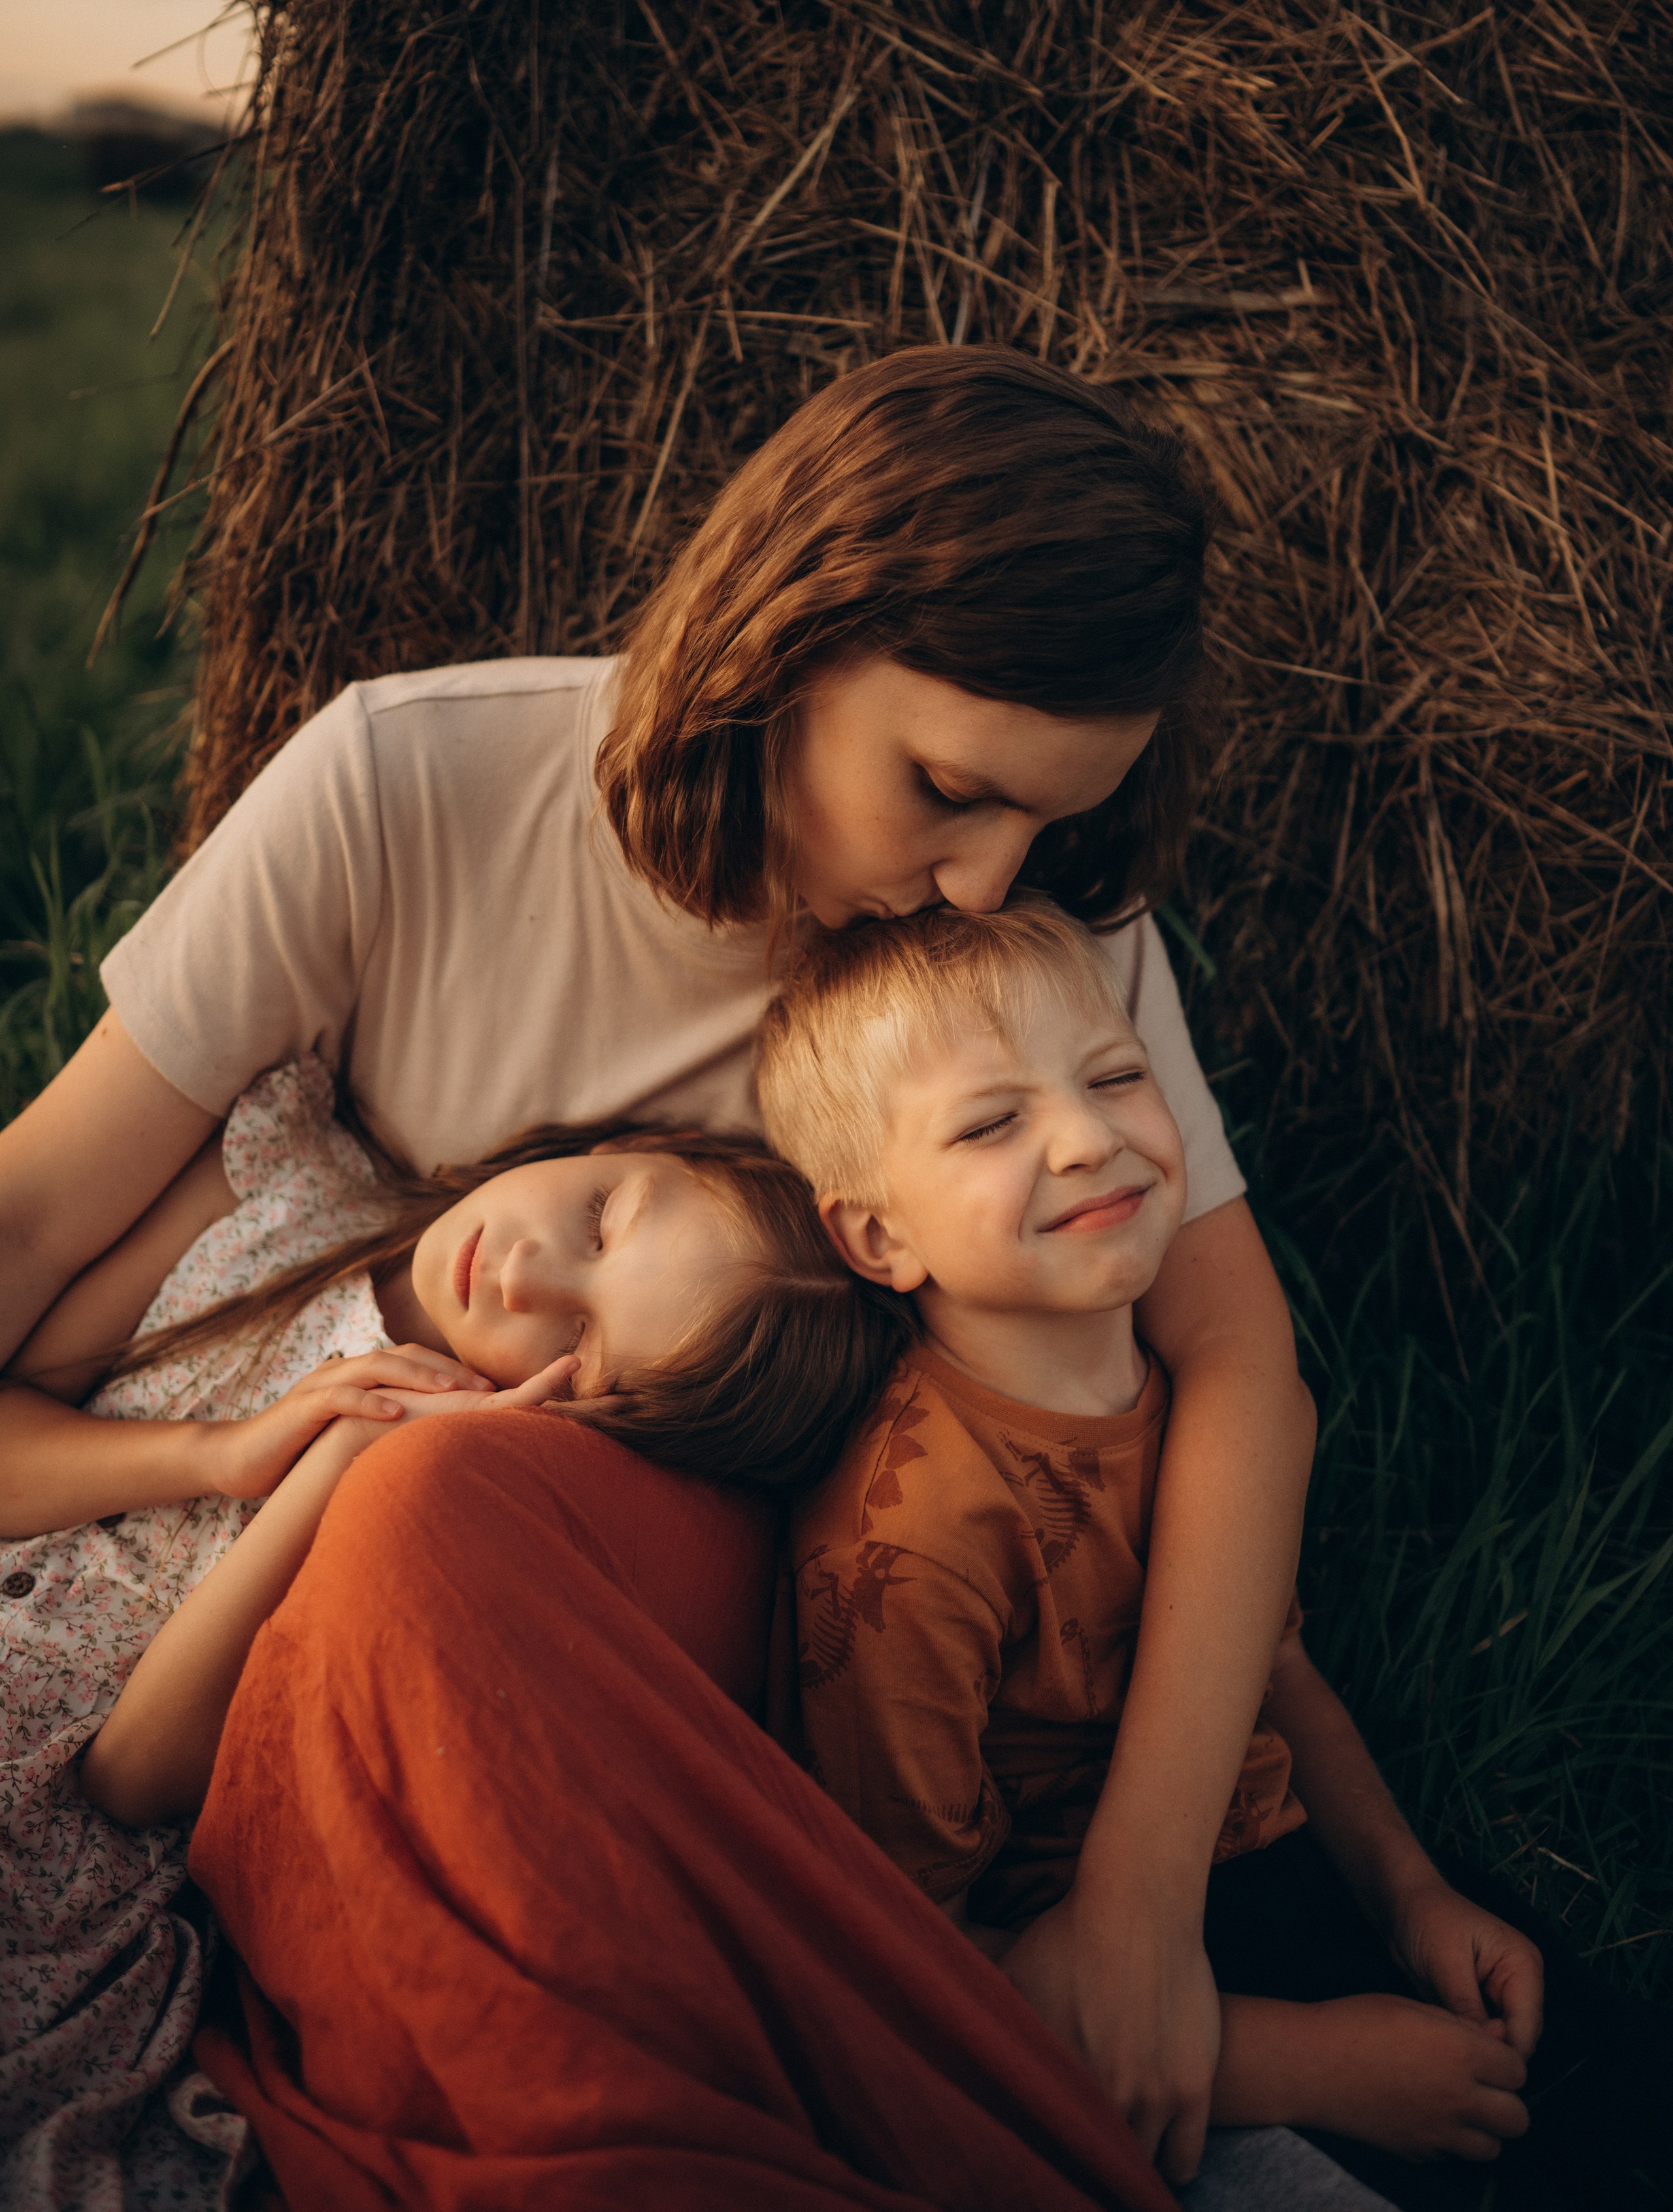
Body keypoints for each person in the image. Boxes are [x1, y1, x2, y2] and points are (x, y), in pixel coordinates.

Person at [0, 348, 1317, 2186]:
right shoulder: (406, 783)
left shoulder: (1027, 929)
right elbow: (39, 1215)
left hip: (719, 1567)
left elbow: (1239, 1364)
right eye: (949, 787)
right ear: (791, 629)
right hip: (351, 1552)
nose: (985, 877)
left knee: (434, 1509)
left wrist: (1141, 1903)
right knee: (417, 1521)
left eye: (1049, 819)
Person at [757, 894, 1668, 2212]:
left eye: (1114, 1075)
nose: (1086, 1138)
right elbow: (918, 1977)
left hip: (1288, 1859)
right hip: (1120, 2010)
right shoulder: (907, 1543)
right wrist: (1308, 2065)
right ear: (876, 1236)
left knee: (1616, 2092)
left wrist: (1410, 1891)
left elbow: (1272, 1676)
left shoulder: (1184, 1405)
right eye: (989, 1121)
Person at [0, 1052, 905, 2204]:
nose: (524, 1274)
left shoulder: (416, 1510)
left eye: (575, 1338)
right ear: (615, 1143)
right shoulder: (280, 1188)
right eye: (599, 1214)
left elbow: (128, 1782)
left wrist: (338, 1465)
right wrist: (221, 1455)